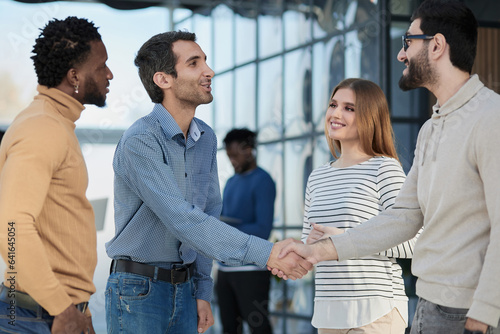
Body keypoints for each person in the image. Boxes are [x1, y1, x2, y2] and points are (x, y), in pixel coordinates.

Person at [278, 1, 500, 333]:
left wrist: (484, 315)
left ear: (436, 46)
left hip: (467, 313)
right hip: (429, 306)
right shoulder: (431, 129)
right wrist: (318, 251)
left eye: (408, 41)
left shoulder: (490, 118)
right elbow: (403, 217)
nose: (401, 55)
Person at [104, 31, 310, 334]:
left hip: (185, 289)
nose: (208, 71)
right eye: (194, 63)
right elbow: (182, 219)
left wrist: (201, 291)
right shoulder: (141, 141)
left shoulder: (205, 138)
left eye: (206, 62)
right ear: (164, 79)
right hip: (138, 291)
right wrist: (268, 253)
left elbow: (206, 215)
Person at [0, 16, 113, 334]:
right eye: (102, 65)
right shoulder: (42, 128)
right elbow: (11, 224)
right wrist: (62, 308)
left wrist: (79, 310)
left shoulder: (53, 123)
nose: (109, 74)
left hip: (48, 313)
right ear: (75, 76)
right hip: (36, 317)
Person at [301, 78, 417, 334]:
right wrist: (298, 251)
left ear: (370, 116)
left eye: (349, 108)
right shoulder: (317, 176)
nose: (336, 113)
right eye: (333, 105)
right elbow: (309, 247)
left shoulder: (384, 169)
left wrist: (344, 239)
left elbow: (414, 242)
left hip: (375, 312)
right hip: (328, 314)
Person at [216, 128, 276, 334]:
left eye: (234, 156)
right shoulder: (231, 182)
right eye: (228, 157)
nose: (232, 161)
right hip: (224, 271)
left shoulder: (263, 181)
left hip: (251, 272)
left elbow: (263, 230)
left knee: (259, 329)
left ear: (248, 150)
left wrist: (226, 231)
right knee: (229, 329)